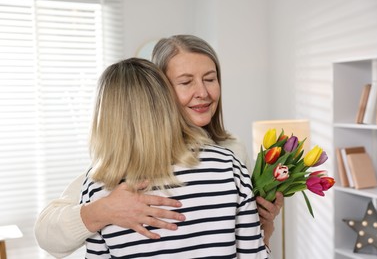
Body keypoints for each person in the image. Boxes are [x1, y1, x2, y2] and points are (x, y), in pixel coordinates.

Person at [34, 34, 283, 258]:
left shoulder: (232, 153)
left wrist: (265, 223)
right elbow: (47, 234)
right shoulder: (110, 174)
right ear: (159, 90)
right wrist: (102, 211)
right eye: (186, 82)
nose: (203, 92)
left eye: (210, 78)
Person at [80, 57, 267, 258]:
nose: (202, 93)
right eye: (186, 82)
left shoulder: (97, 187)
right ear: (168, 102)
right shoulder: (227, 166)